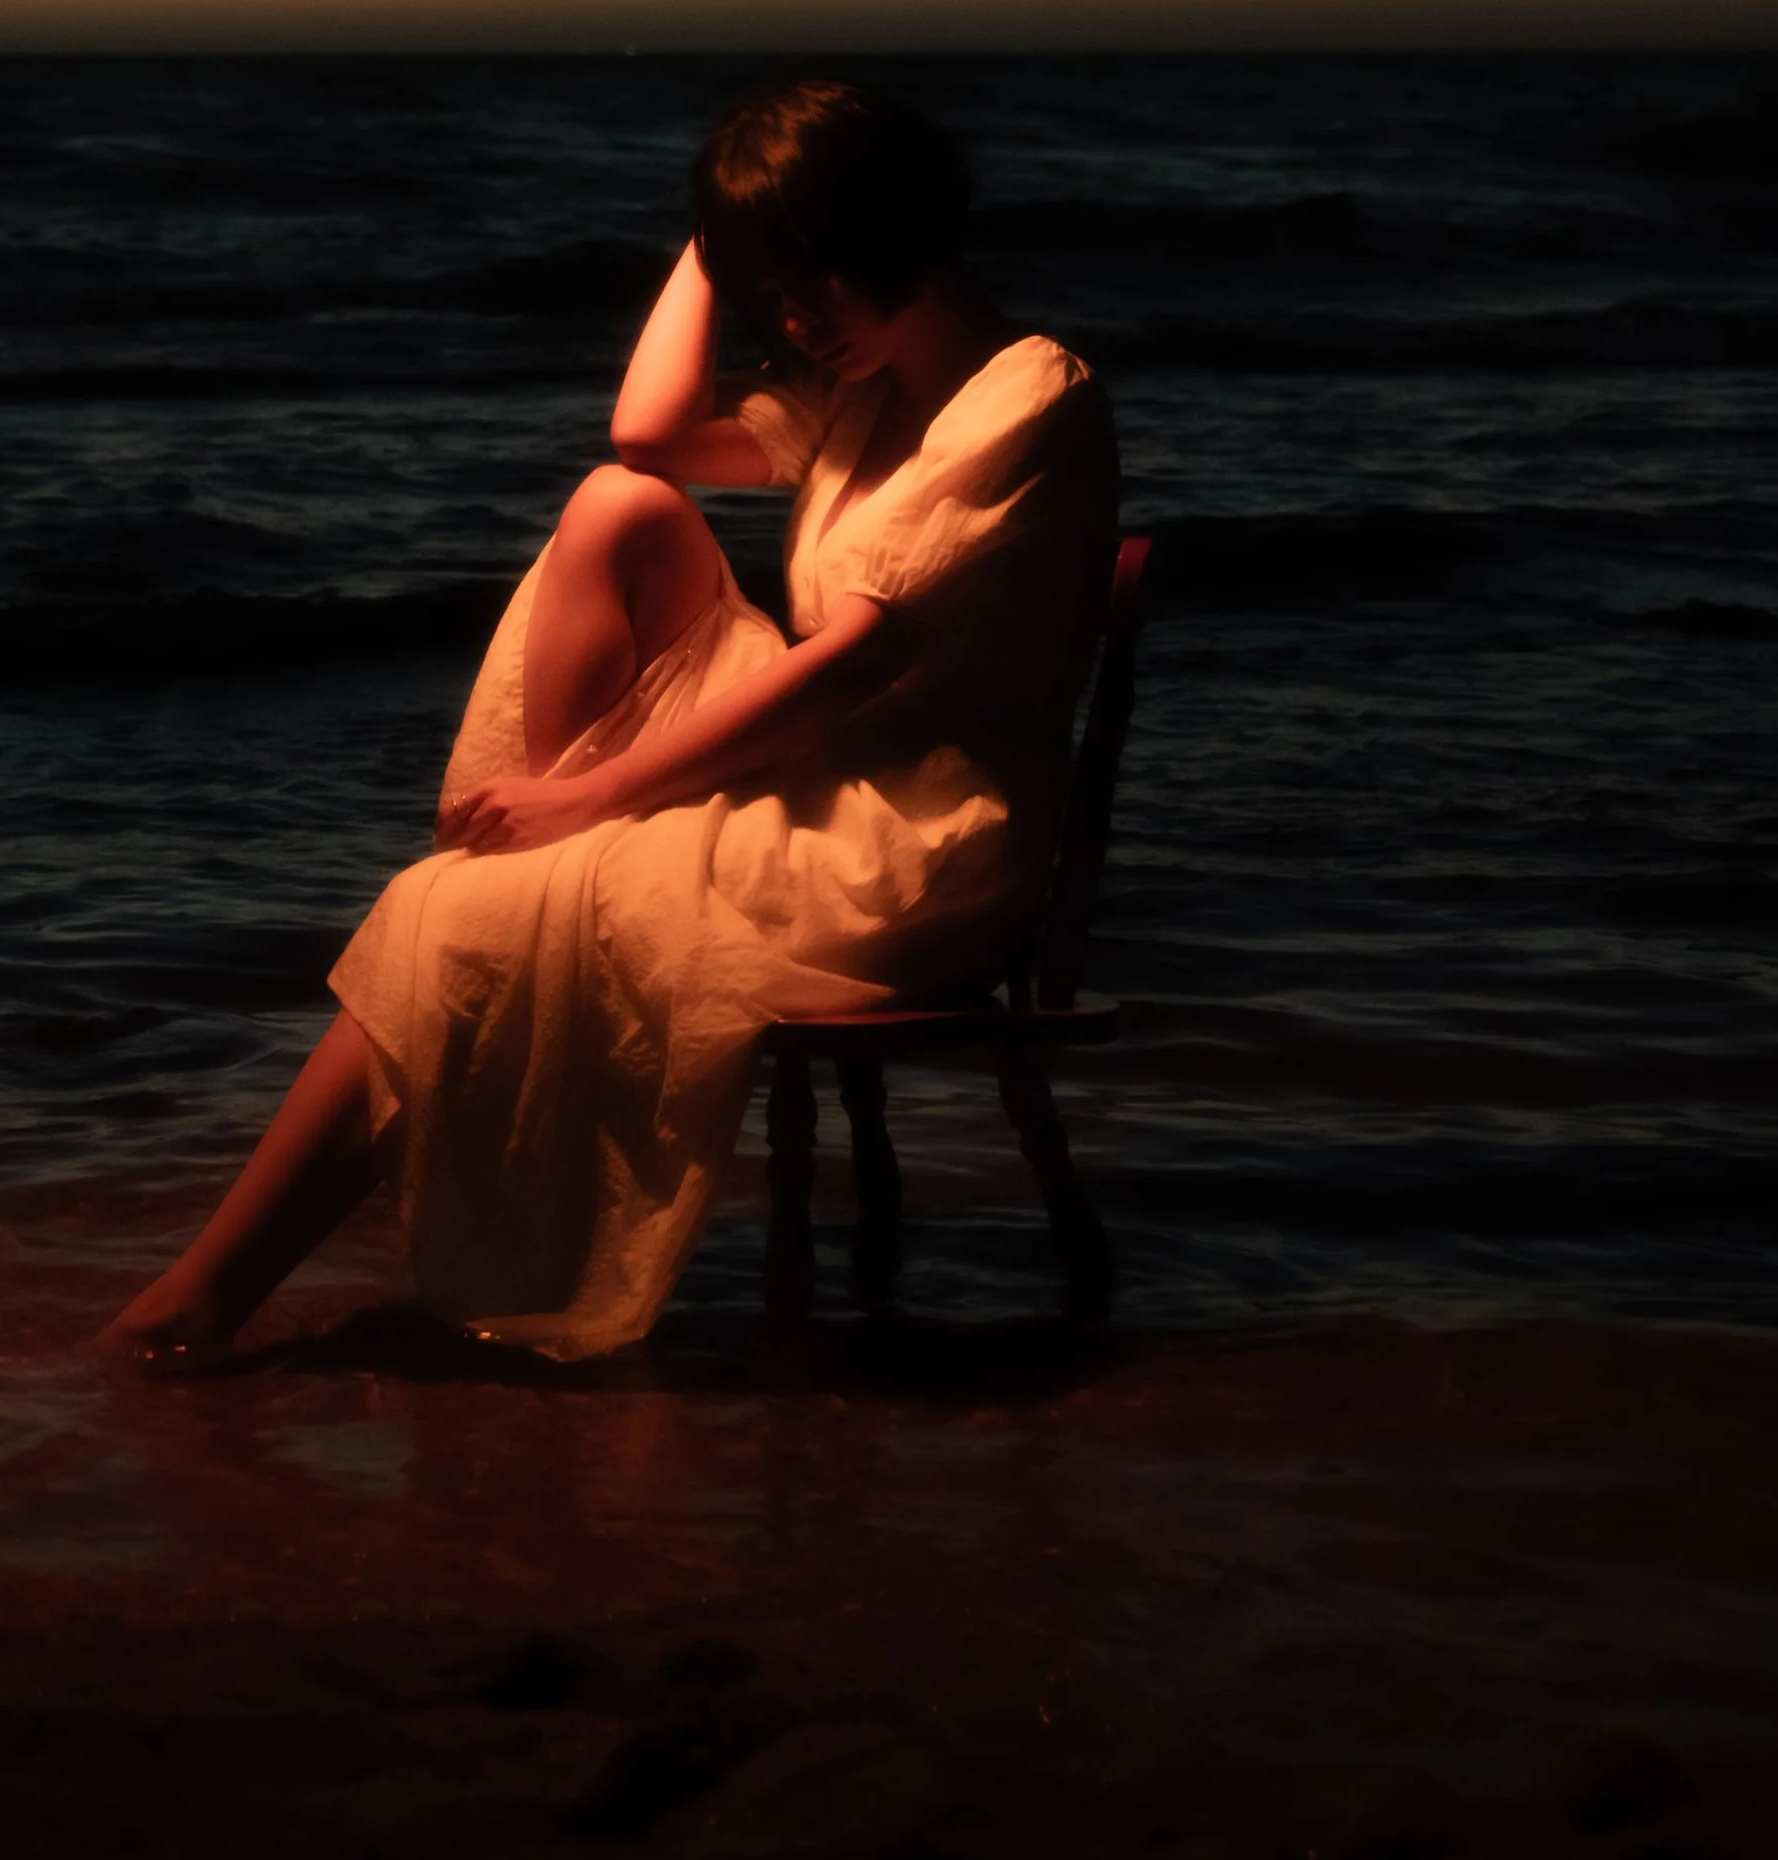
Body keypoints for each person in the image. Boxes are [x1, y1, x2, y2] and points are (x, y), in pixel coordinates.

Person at [100, 75, 1118, 1367]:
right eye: (769, 296)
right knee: (615, 507)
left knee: (457, 910)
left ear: (896, 230)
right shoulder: (858, 390)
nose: (793, 323)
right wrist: (718, 231)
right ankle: (546, 873)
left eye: (811, 282)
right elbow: (646, 436)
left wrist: (593, 793)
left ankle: (207, 1290)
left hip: (912, 847)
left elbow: (851, 667)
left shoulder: (1024, 394)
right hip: (818, 778)